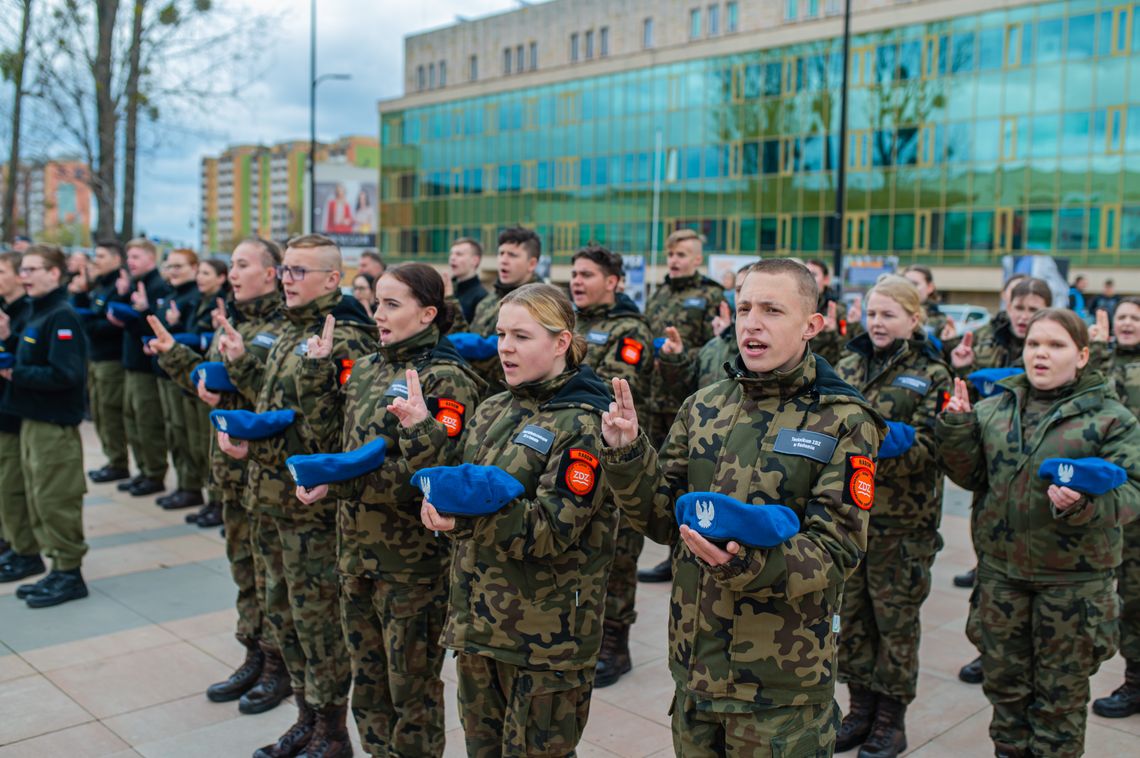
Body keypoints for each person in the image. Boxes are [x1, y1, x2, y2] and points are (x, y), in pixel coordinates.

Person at [600, 259, 885, 755]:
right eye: (745, 307)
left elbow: (836, 547)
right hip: (696, 670)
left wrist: (743, 563)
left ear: (812, 325)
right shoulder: (704, 405)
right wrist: (627, 454)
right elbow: (664, 518)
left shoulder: (843, 419)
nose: (752, 322)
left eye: (773, 310)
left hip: (778, 685)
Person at [419, 282, 617, 757]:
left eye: (522, 336)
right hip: (479, 626)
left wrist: (461, 521)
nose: (505, 347)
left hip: (544, 641)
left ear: (561, 343)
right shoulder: (494, 408)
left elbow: (551, 532)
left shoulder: (586, 423)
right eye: (501, 333)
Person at [295, 263, 484, 757]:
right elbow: (329, 442)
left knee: (412, 693)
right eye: (376, 302)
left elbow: (431, 478)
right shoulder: (369, 366)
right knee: (370, 685)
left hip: (411, 569)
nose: (378, 313)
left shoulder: (448, 378)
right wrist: (316, 377)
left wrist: (341, 482)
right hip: (356, 555)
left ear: (427, 313)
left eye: (392, 304)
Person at [937, 308, 1140, 758]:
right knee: (1006, 698)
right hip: (1002, 580)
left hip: (1072, 589)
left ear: (1083, 355)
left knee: (1059, 707)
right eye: (1034, 345)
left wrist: (1086, 505)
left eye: (1056, 345)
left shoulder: (1111, 420)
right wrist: (956, 429)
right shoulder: (994, 409)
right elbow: (971, 476)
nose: (1041, 354)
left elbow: (1133, 493)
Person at [217, 233, 378, 758]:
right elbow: (271, 396)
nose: (286, 279)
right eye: (284, 270)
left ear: (332, 279)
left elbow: (337, 434)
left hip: (309, 510)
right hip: (266, 500)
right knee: (282, 616)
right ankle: (306, 719)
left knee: (317, 625)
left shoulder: (345, 337)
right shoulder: (291, 330)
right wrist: (240, 371)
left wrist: (264, 440)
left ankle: (331, 734)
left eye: (298, 271)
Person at [149, 238, 292, 714]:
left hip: (266, 474)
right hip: (230, 472)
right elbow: (215, 389)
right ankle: (253, 652)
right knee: (243, 570)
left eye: (243, 264)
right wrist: (175, 356)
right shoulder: (235, 322)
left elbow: (281, 405)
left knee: (274, 578)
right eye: (231, 263)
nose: (232, 272)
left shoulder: (283, 327)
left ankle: (279, 666)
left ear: (272, 273)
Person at [833, 276, 952, 757]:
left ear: (913, 319)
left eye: (888, 314)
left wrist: (870, 447)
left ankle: (891, 720)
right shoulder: (846, 361)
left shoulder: (933, 374)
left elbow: (934, 444)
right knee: (853, 619)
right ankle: (860, 710)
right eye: (872, 313)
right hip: (846, 517)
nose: (877, 323)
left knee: (895, 624)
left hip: (902, 524)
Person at [948, 276, 1052, 685]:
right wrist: (961, 365)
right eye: (1018, 307)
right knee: (991, 574)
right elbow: (968, 392)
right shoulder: (986, 340)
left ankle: (1028, 658)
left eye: (1032, 307)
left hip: (1038, 472)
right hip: (994, 461)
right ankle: (988, 652)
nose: (1024, 316)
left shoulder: (1053, 339)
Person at [568, 244, 654, 688]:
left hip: (617, 458)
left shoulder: (629, 328)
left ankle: (615, 646)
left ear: (614, 282)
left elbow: (623, 386)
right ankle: (590, 636)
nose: (577, 281)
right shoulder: (571, 324)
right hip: (577, 455)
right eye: (574, 273)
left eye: (587, 274)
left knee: (619, 556)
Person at [1, 245, 89, 607]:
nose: (25, 275)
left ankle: (69, 573)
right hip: (33, 419)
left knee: (56, 499)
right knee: (37, 497)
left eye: (34, 269)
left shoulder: (61, 315)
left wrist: (14, 372)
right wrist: (8, 340)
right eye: (23, 269)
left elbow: (66, 374)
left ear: (55, 274)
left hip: (53, 424)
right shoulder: (40, 313)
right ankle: (55, 568)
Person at [637, 228, 724, 586]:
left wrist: (677, 354)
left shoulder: (710, 296)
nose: (674, 260)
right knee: (663, 480)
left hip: (690, 403)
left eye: (682, 254)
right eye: (671, 254)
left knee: (689, 479)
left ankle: (688, 553)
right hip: (655, 400)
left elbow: (715, 351)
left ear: (697, 259)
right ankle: (672, 551)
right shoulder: (658, 295)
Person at [1091, 296, 1140, 718]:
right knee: (1126, 597)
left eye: (1135, 318)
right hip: (1113, 504)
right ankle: (1134, 682)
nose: (1126, 324)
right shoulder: (1100, 365)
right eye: (1122, 317)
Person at [106, 238, 170, 497]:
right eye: (128, 257)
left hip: (147, 367)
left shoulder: (158, 286)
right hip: (131, 363)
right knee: (132, 420)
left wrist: (144, 310)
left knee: (147, 422)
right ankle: (143, 470)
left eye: (136, 257)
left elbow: (158, 329)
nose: (130, 262)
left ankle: (154, 473)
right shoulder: (133, 284)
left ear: (151, 259)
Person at [149, 248, 205, 510]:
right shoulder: (169, 296)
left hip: (183, 376)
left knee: (189, 435)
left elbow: (196, 340)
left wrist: (178, 325)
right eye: (170, 266)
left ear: (194, 268)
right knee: (174, 432)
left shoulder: (194, 297)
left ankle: (193, 487)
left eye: (179, 266)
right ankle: (185, 484)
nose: (173, 271)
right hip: (165, 372)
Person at [178, 258, 229, 526]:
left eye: (205, 273)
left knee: (211, 446)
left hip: (212, 381)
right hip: (196, 378)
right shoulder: (198, 300)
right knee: (196, 443)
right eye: (198, 272)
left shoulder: (222, 303)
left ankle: (218, 502)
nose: (199, 277)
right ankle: (211, 500)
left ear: (222, 278)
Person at [467, 226, 544, 396]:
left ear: (532, 263)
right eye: (501, 253)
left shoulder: (543, 304)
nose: (503, 260)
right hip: (479, 396)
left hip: (517, 398)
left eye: (512, 255)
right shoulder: (486, 302)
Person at [82, 241, 130, 483]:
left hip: (112, 359)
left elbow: (111, 326)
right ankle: (113, 459)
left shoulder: (119, 287)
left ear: (115, 259)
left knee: (111, 412)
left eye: (100, 255)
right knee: (100, 412)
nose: (95, 260)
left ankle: (119, 462)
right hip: (96, 358)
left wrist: (88, 324)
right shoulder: (100, 285)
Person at [0, 251, 34, 582]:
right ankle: (9, 540)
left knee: (12, 486)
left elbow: (18, 361)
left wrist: (6, 339)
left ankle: (24, 548)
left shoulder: (26, 313)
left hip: (13, 410)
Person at [903, 265, 950, 343]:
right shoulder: (893, 313)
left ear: (930, 287)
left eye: (914, 284)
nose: (909, 288)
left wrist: (950, 342)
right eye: (905, 284)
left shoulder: (940, 320)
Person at [448, 237, 488, 323]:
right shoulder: (447, 288)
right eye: (451, 254)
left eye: (459, 254)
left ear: (475, 260)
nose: (452, 258)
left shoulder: (481, 296)